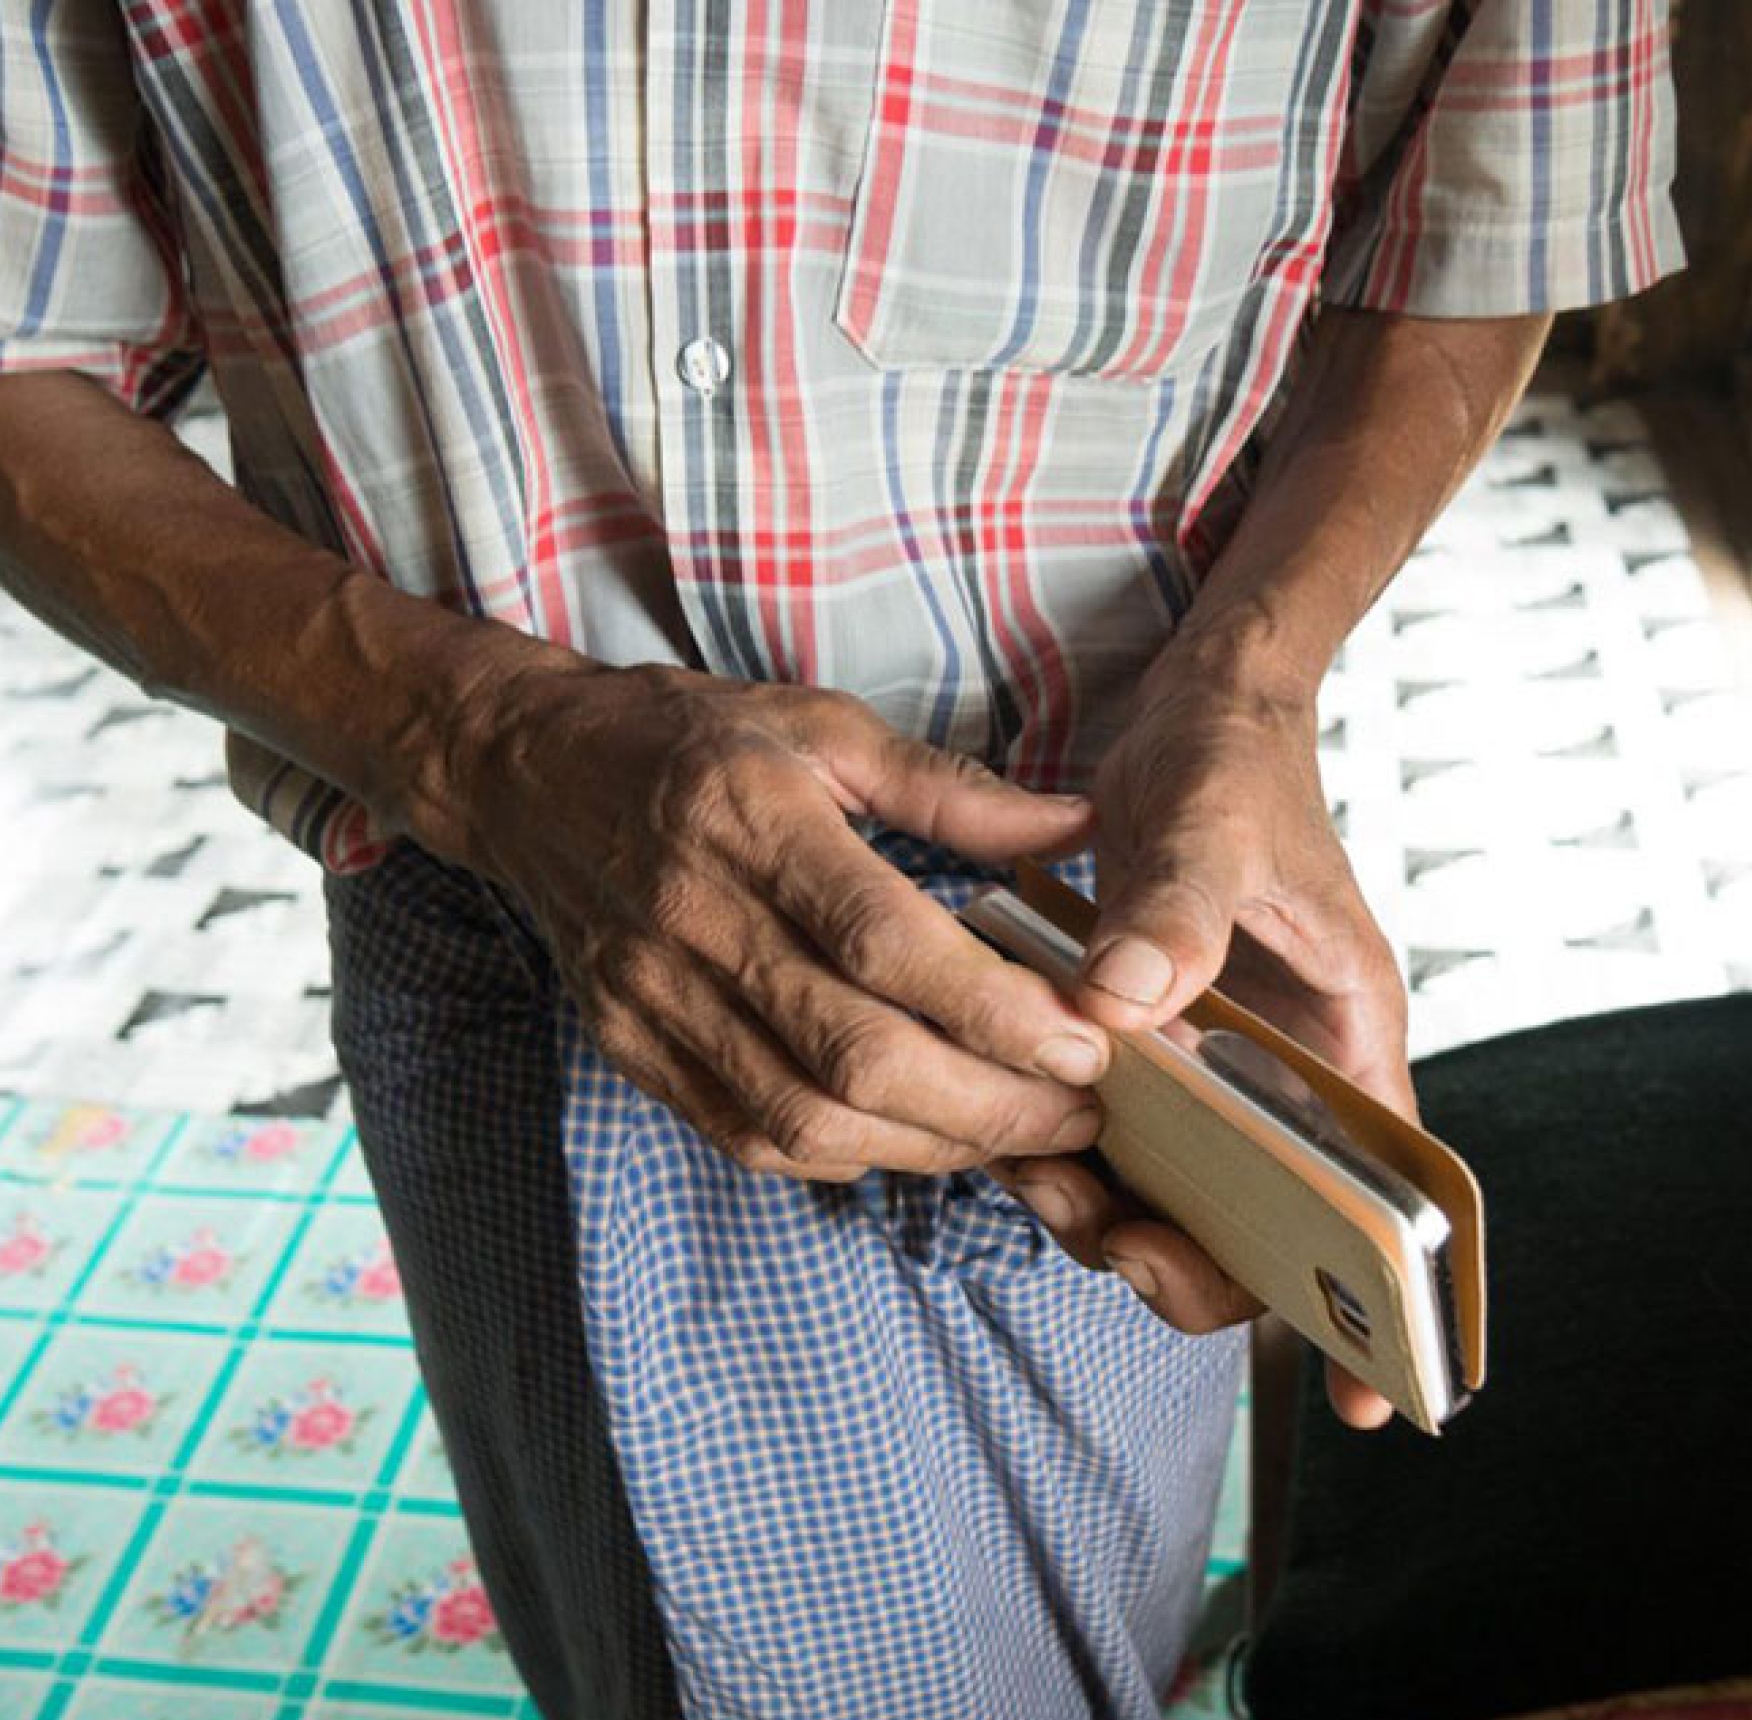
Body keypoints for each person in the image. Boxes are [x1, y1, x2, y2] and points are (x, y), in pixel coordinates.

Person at [0, 3, 1678, 1716]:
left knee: (1114, 1612)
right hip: (522, 913)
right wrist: (484, 742)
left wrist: (1250, 675)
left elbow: (1488, 201)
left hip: (1126, 913)